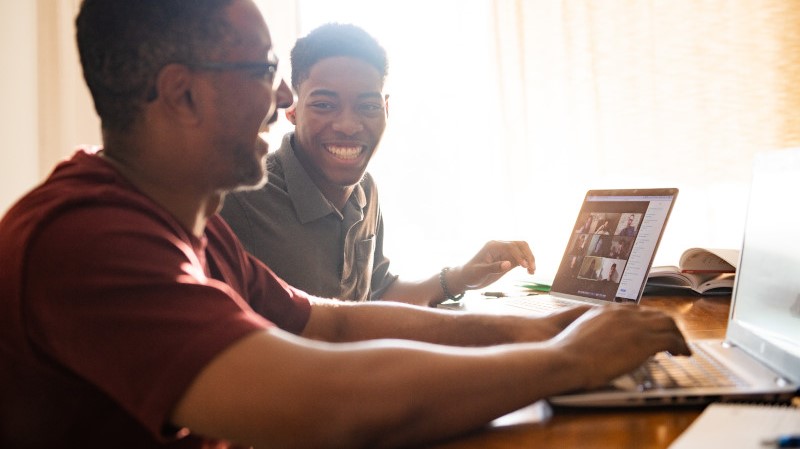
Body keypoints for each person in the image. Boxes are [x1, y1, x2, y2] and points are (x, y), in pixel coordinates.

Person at [0, 1, 690, 448]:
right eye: (266, 71)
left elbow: (335, 322)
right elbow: (332, 402)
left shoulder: (191, 224)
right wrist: (566, 361)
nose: (282, 99)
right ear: (182, 92)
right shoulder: (87, 241)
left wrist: (534, 330)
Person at [220, 23, 535, 305]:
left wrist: (462, 277)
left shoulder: (365, 190)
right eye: (325, 105)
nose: (347, 124)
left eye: (368, 105)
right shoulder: (240, 197)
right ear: (292, 110)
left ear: (386, 109)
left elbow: (379, 294)